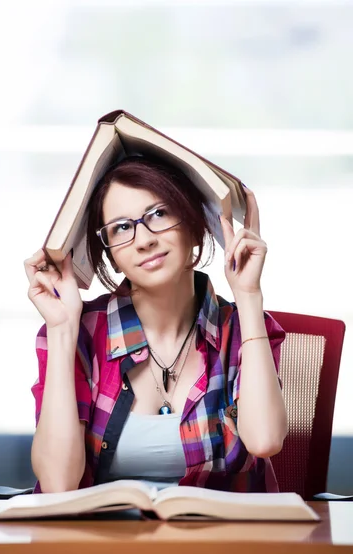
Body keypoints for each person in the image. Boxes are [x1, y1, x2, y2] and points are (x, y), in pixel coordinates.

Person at [24, 157, 287, 495]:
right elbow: (57, 483)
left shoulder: (240, 329)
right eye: (121, 227)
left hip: (222, 543)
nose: (143, 239)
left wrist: (249, 296)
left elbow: (265, 440)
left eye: (159, 214)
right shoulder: (80, 333)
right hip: (103, 545)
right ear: (109, 253)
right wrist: (62, 329)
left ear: (195, 223)